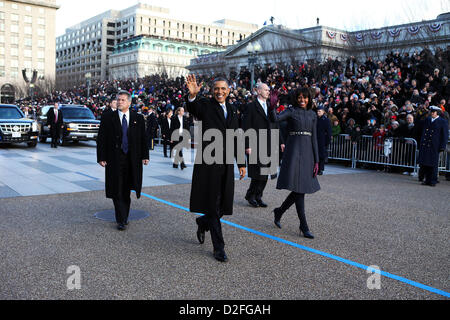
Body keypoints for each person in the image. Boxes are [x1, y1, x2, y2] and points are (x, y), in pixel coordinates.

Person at [185, 74, 246, 262]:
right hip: (209, 162)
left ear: (229, 90)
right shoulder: (205, 104)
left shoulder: (233, 109)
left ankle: (202, 221)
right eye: (216, 89)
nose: (219, 92)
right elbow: (194, 108)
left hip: (226, 163)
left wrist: (241, 162)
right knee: (213, 203)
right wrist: (193, 96)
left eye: (223, 89)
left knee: (221, 205)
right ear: (212, 91)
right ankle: (219, 247)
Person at [270, 87, 320, 239]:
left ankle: (279, 211)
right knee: (299, 190)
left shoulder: (312, 114)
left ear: (309, 99)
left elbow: (314, 138)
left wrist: (317, 160)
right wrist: (272, 106)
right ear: (296, 98)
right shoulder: (291, 111)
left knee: (300, 189)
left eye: (305, 98)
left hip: (308, 154)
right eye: (299, 97)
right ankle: (303, 226)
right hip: (293, 152)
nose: (302, 100)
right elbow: (276, 119)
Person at [96, 90, 150, 231]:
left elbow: (143, 139)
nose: (119, 102)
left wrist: (145, 156)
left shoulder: (137, 118)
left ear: (129, 102)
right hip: (114, 159)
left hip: (132, 160)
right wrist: (101, 157)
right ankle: (121, 219)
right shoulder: (108, 117)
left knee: (126, 189)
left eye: (122, 100)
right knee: (117, 189)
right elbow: (101, 138)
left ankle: (124, 215)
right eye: (118, 99)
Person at [243, 83, 282, 208]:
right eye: (265, 90)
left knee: (265, 173)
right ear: (258, 91)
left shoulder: (271, 107)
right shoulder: (251, 107)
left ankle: (258, 196)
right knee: (257, 173)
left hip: (269, 143)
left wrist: (281, 141)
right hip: (255, 143)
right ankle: (251, 195)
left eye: (269, 90)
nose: (268, 92)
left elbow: (275, 124)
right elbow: (246, 126)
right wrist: (247, 145)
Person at [417, 106, 449, 187]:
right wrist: (423, 113)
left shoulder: (442, 121)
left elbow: (444, 135)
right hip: (426, 144)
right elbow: (418, 122)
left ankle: (433, 180)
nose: (432, 113)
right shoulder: (428, 119)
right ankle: (427, 180)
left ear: (437, 113)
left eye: (433, 112)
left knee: (433, 164)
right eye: (431, 111)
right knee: (426, 163)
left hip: (434, 145)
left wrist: (442, 146)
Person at [316, 106, 332, 175]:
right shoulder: (315, 119)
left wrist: (327, 142)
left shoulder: (326, 120)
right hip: (315, 139)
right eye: (317, 111)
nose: (318, 112)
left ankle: (320, 169)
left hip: (322, 140)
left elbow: (329, 132)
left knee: (321, 155)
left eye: (319, 111)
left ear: (323, 112)